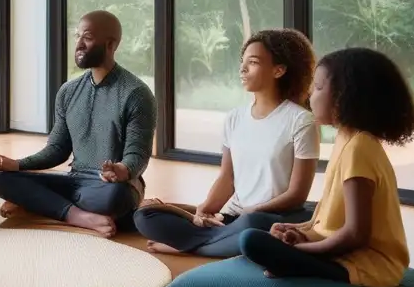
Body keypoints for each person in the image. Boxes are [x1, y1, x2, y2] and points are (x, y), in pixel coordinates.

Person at [239, 47, 414, 287]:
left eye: (319, 88)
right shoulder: (346, 138)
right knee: (261, 228)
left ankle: (297, 264)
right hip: (345, 253)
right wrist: (300, 230)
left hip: (370, 266)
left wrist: (303, 250)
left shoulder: (360, 148)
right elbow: (330, 218)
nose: (310, 95)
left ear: (344, 97)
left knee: (251, 240)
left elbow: (356, 234)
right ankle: (294, 261)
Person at [134, 29, 319, 257]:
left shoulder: (301, 120)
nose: (242, 69)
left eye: (252, 62)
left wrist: (251, 210)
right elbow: (227, 177)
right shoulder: (234, 118)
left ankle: (191, 247)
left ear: (279, 70)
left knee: (252, 225)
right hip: (232, 217)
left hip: (269, 218)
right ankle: (219, 244)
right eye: (243, 62)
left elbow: (297, 195)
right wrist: (206, 209)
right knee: (145, 216)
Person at [0, 10, 156, 238]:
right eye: (77, 36)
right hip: (74, 181)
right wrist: (15, 165)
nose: (79, 44)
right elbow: (57, 150)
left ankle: (45, 208)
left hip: (109, 187)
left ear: (110, 44)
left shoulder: (135, 93)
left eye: (87, 37)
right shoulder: (68, 91)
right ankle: (77, 216)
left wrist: (122, 170)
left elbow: (138, 155)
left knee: (114, 197)